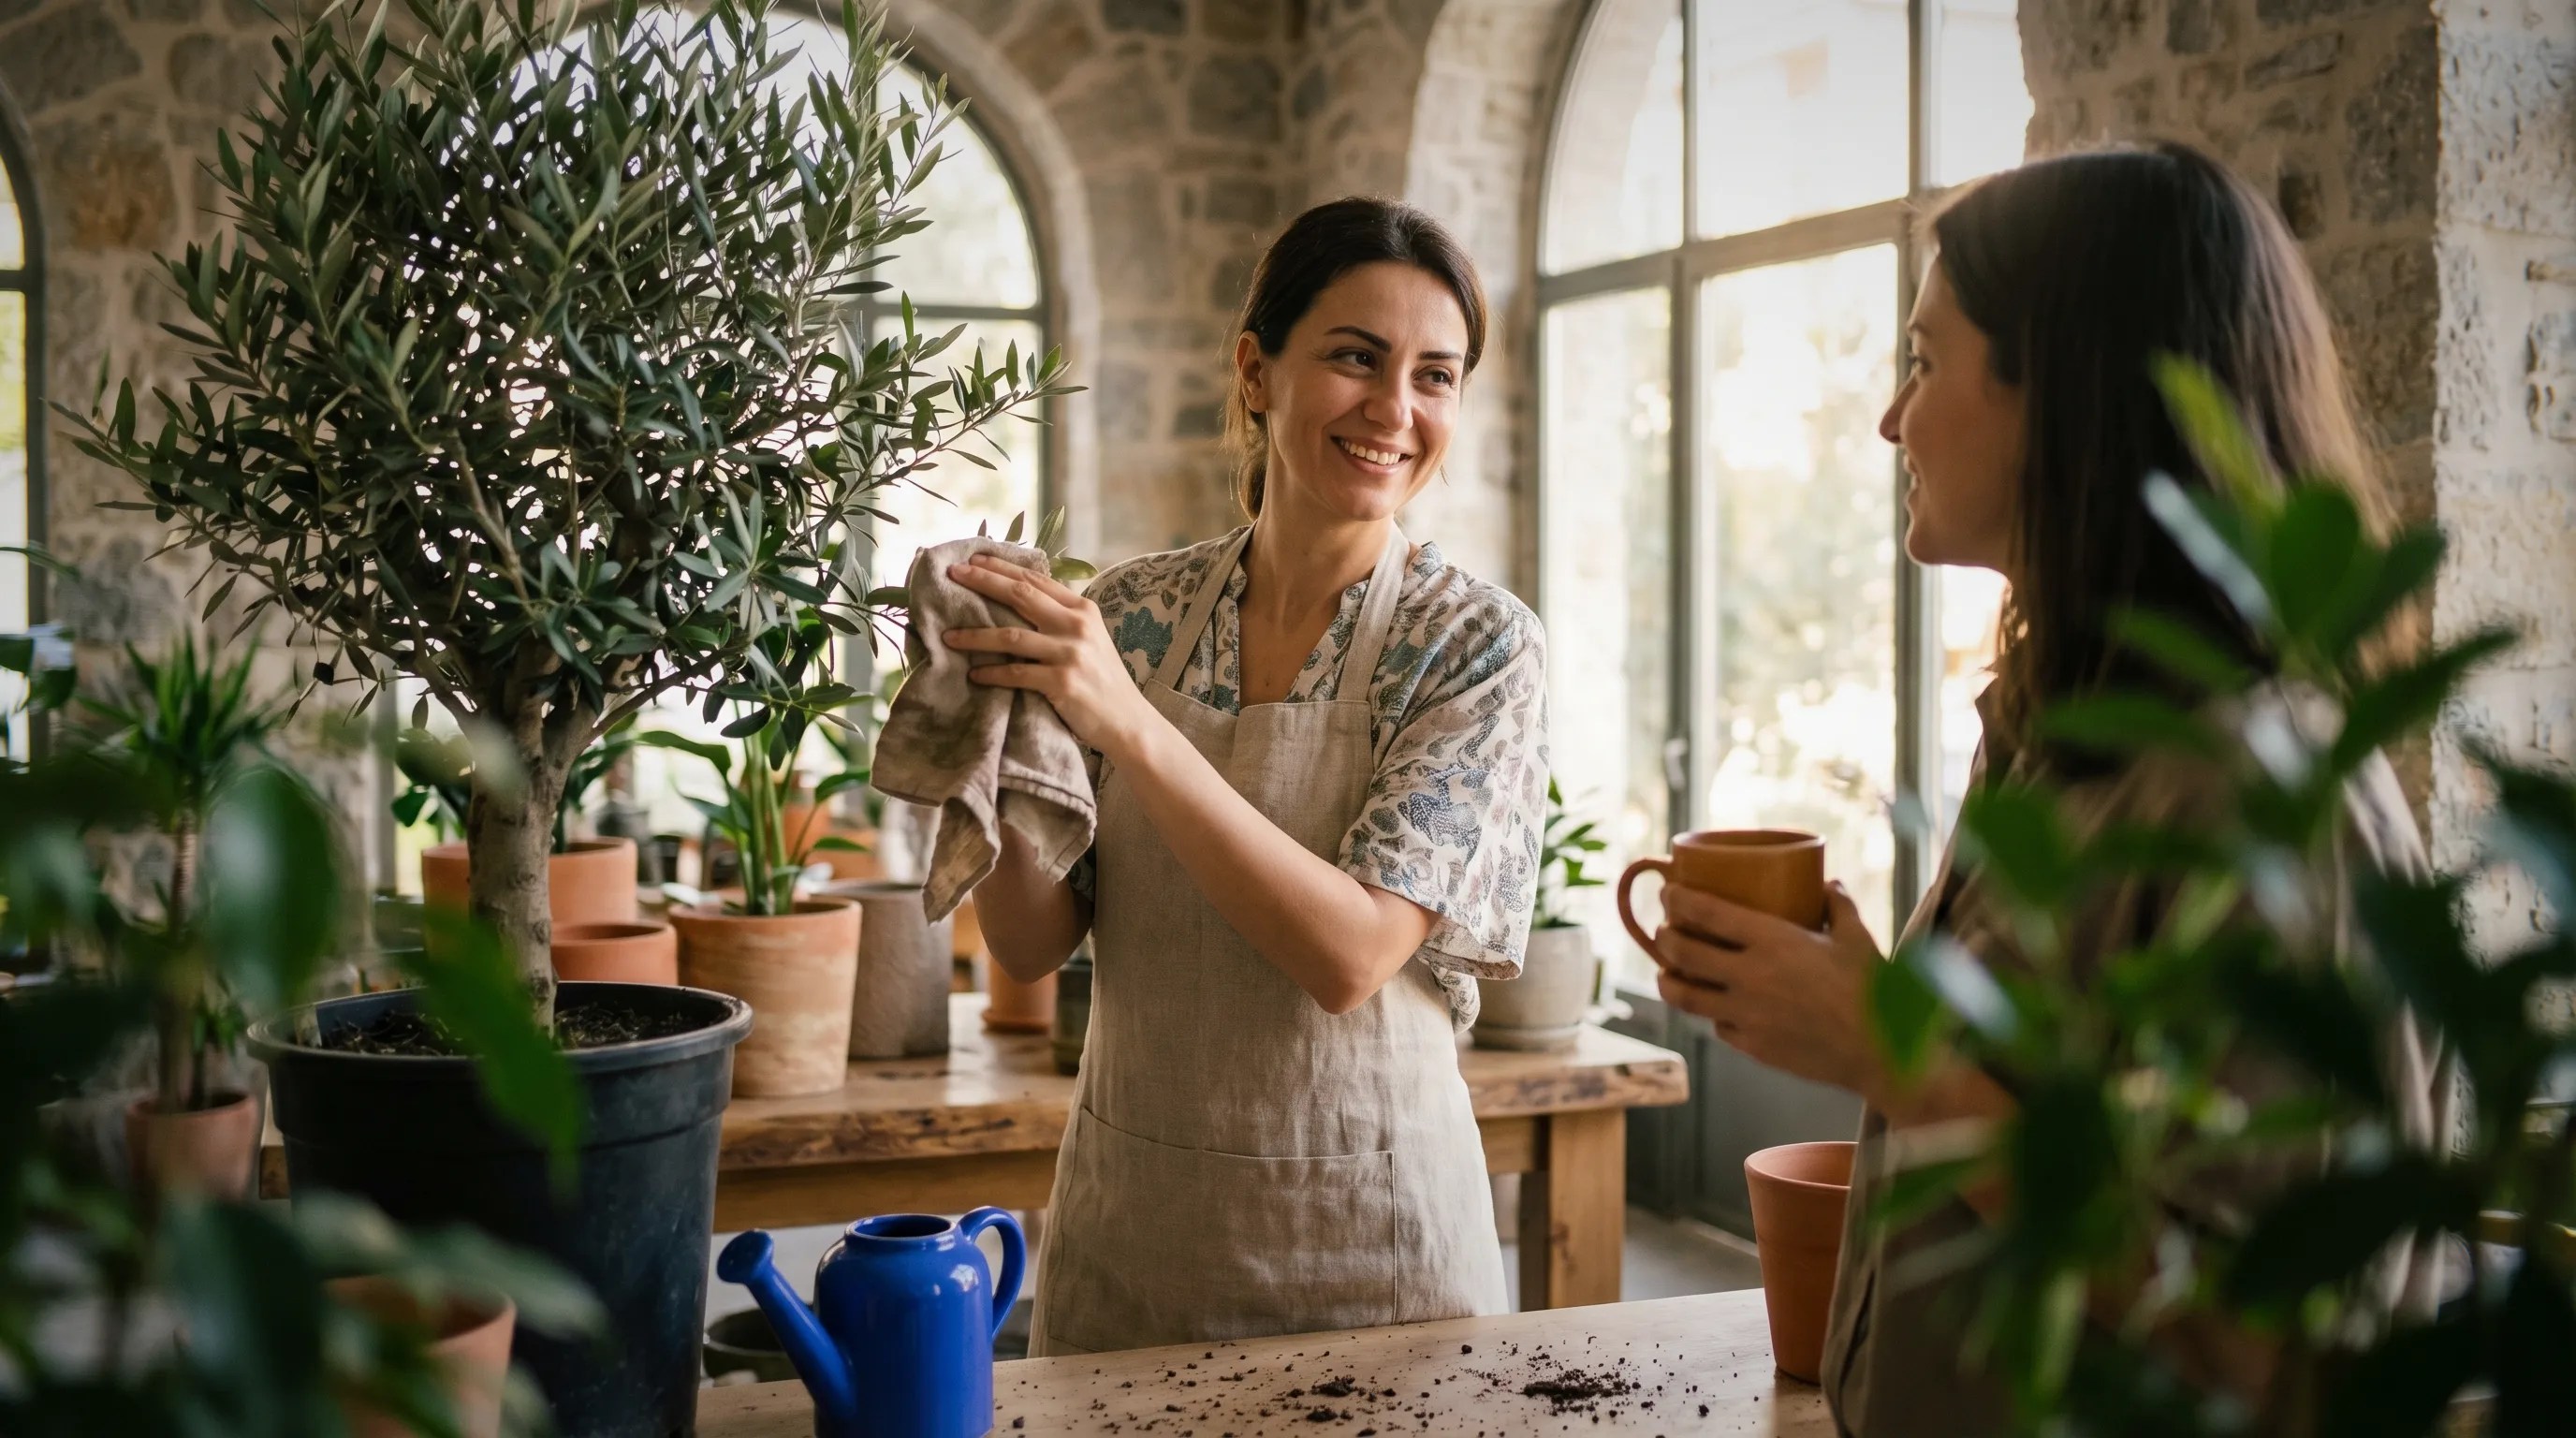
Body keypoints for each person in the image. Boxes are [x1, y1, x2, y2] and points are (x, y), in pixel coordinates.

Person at [1640, 142, 2452, 1433]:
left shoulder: (2266, 799)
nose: (1889, 420)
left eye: (1922, 361)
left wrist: (1895, 1055)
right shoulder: (2050, 728)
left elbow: (2270, 1343)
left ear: (2069, 395)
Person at [944, 198, 1548, 1357]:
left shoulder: (1476, 644)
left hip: (1379, 1268)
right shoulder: (1135, 613)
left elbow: (1352, 957)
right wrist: (985, 736)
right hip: (1136, 1250)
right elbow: (1028, 944)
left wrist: (1129, 720)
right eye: (1355, 359)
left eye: (1436, 375)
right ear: (1256, 371)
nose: (1394, 410)